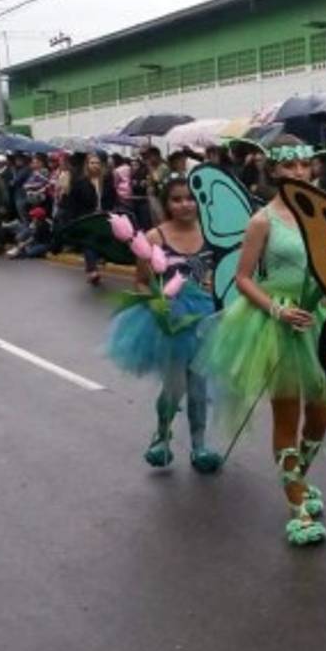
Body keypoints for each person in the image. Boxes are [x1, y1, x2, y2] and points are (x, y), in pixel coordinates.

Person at [196, 157, 326, 546]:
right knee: (287, 415)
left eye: (305, 165)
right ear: (274, 172)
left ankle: (298, 479)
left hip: (318, 319)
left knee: (322, 413)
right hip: (276, 324)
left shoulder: (321, 214)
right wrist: (277, 309)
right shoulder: (263, 220)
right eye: (289, 166)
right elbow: (243, 278)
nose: (298, 173)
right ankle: (296, 505)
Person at [105, 177, 222, 473]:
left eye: (190, 198)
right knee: (174, 385)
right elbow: (143, 281)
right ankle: (162, 436)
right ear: (166, 204)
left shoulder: (212, 234)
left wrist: (215, 287)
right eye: (177, 199)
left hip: (206, 319)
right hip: (169, 319)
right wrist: (157, 304)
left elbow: (224, 274)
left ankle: (199, 446)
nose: (185, 204)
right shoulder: (155, 238)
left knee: (198, 385)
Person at [67, 153, 119, 285]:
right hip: (87, 218)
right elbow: (73, 203)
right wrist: (74, 220)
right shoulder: (80, 182)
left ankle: (96, 262)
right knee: (88, 243)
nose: (95, 166)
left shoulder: (106, 180)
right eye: (92, 163)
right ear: (87, 165)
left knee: (101, 242)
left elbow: (113, 198)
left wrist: (112, 213)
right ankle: (92, 271)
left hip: (103, 217)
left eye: (97, 163)